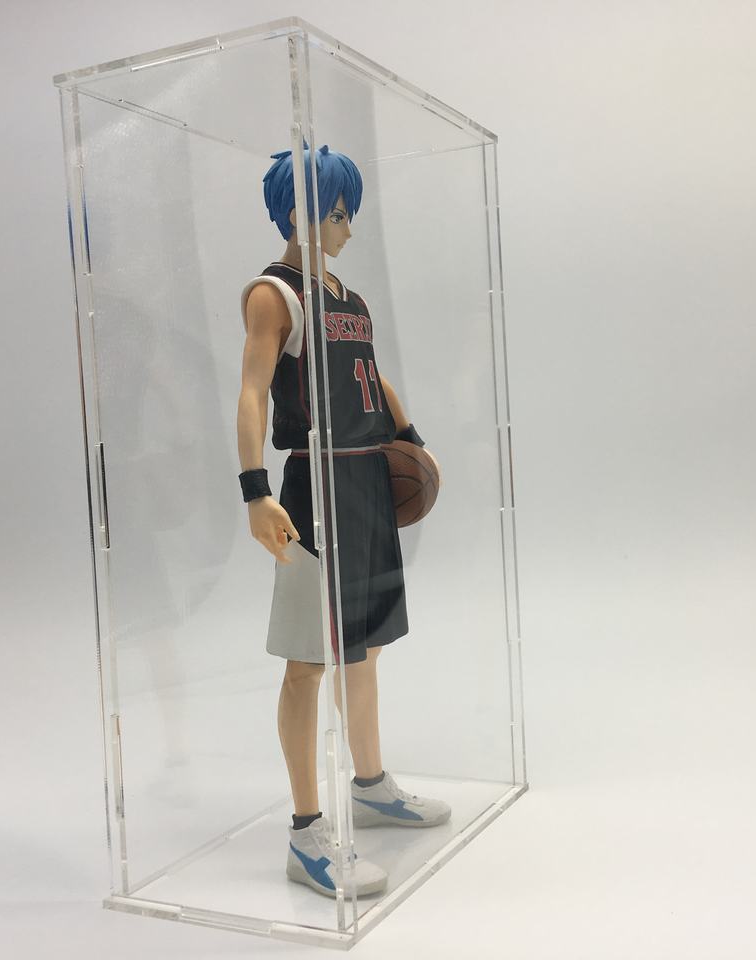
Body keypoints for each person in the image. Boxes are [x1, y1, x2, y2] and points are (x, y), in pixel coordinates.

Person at [236, 144, 450, 899]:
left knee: (366, 649)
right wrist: (255, 490)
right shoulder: (275, 295)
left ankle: (370, 784)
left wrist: (412, 436)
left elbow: (372, 373)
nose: (348, 227)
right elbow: (252, 389)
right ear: (299, 213)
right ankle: (305, 834)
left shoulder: (346, 296)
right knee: (308, 660)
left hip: (366, 477)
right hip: (314, 484)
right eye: (336, 212)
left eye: (349, 212)